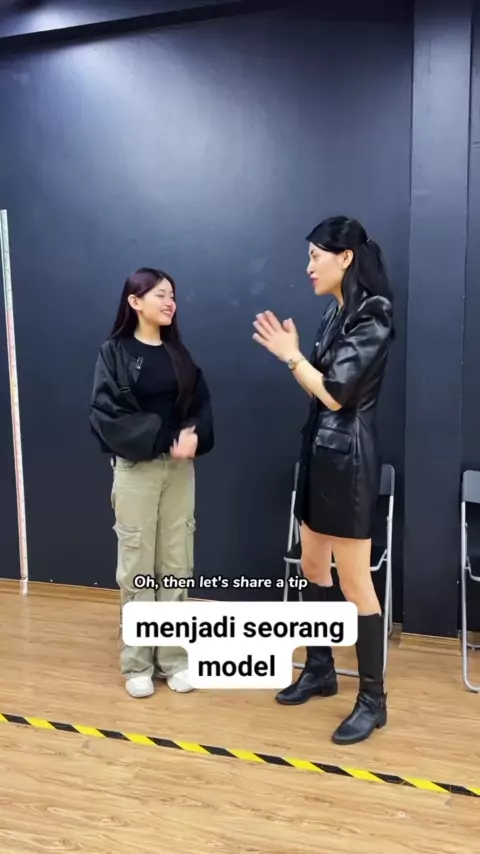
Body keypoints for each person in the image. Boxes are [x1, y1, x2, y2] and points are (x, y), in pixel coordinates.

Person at [252, 216, 394, 745]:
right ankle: (320, 668)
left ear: (345, 257)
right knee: (313, 566)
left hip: (349, 461)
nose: (308, 266)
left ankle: (373, 701)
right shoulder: (335, 314)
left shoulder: (374, 314)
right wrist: (294, 358)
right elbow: (319, 390)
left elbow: (336, 394)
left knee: (356, 583)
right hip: (319, 452)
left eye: (316, 255)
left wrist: (291, 355)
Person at [89, 267, 214, 698]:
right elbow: (105, 414)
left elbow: (199, 406)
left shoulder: (179, 354)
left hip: (179, 472)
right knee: (137, 565)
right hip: (136, 470)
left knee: (176, 565)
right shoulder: (114, 353)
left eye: (172, 295)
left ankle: (174, 659)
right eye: (160, 294)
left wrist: (193, 434)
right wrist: (163, 437)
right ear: (135, 301)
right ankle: (138, 663)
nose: (169, 302)